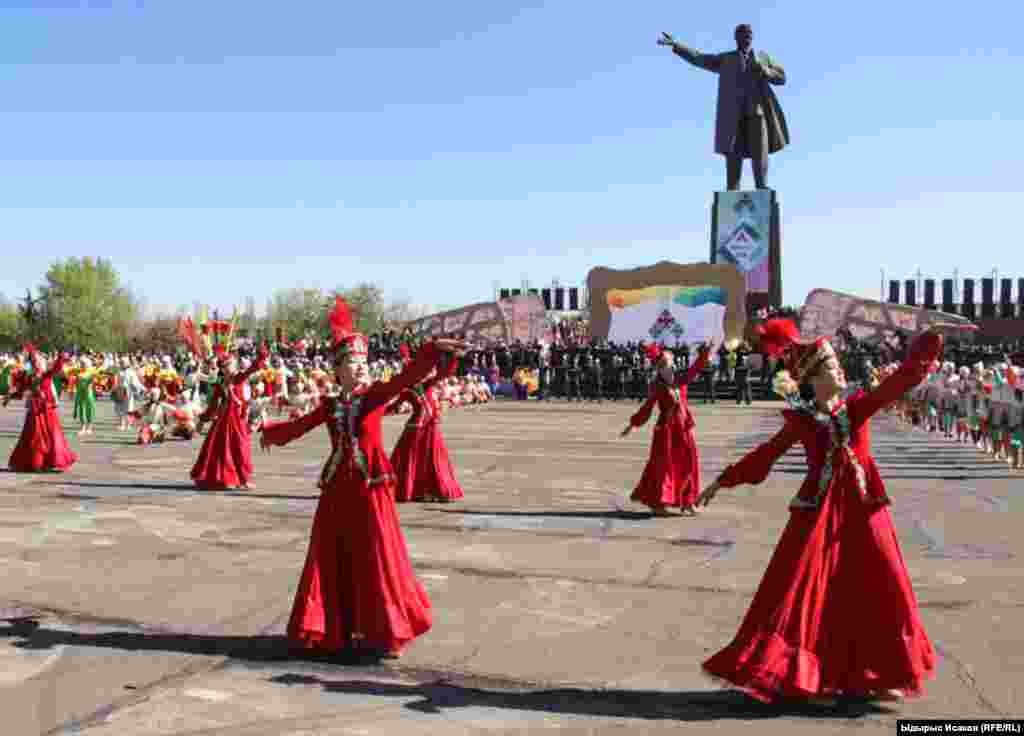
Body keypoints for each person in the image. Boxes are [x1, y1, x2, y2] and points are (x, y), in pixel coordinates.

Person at [696, 319, 975, 705]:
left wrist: (929, 339)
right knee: (808, 593)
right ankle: (809, 678)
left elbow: (902, 381)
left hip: (862, 509)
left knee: (883, 586)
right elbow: (765, 456)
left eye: (838, 366)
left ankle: (882, 672)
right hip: (818, 511)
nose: (840, 372)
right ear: (812, 379)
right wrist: (723, 480)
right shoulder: (805, 421)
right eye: (831, 368)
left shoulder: (858, 406)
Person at [260, 297, 468, 659]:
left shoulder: (374, 396)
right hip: (337, 490)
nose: (360, 369)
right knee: (332, 555)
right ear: (337, 370)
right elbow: (299, 426)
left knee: (378, 556)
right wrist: (270, 433)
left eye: (363, 363)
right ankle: (332, 629)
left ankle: (388, 630)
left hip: (371, 489)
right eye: (352, 364)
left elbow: (406, 378)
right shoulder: (329, 405)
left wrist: (431, 351)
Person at [621, 341, 713, 516]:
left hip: (684, 429)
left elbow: (695, 370)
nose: (670, 365)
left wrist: (705, 353)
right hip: (666, 431)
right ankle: (658, 503)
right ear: (660, 367)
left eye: (670, 362)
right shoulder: (657, 386)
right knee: (664, 467)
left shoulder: (680, 379)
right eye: (665, 363)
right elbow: (647, 407)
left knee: (688, 464)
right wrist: (633, 424)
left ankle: (687, 502)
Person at [190, 344, 268, 490]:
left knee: (240, 448)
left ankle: (242, 479)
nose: (229, 368)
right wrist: (203, 418)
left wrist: (261, 356)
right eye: (225, 366)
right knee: (224, 450)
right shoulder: (221, 383)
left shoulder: (239, 378)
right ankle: (228, 479)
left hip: (238, 419)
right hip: (225, 420)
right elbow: (213, 406)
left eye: (230, 365)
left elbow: (253, 369)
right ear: (222, 369)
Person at [390, 354, 463, 503]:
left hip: (430, 427)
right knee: (412, 461)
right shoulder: (407, 390)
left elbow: (445, 372)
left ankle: (438, 490)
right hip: (415, 428)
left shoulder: (428, 384)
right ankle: (411, 491)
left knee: (435, 460)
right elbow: (392, 406)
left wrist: (453, 356)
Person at [8, 346, 78, 473]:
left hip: (47, 410)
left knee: (52, 436)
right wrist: (9, 397)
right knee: (34, 437)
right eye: (36, 362)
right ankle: (35, 462)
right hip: (34, 412)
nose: (38, 363)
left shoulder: (46, 375)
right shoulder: (29, 377)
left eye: (40, 361)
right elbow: (21, 391)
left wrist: (61, 357)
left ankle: (49, 461)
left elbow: (56, 367)